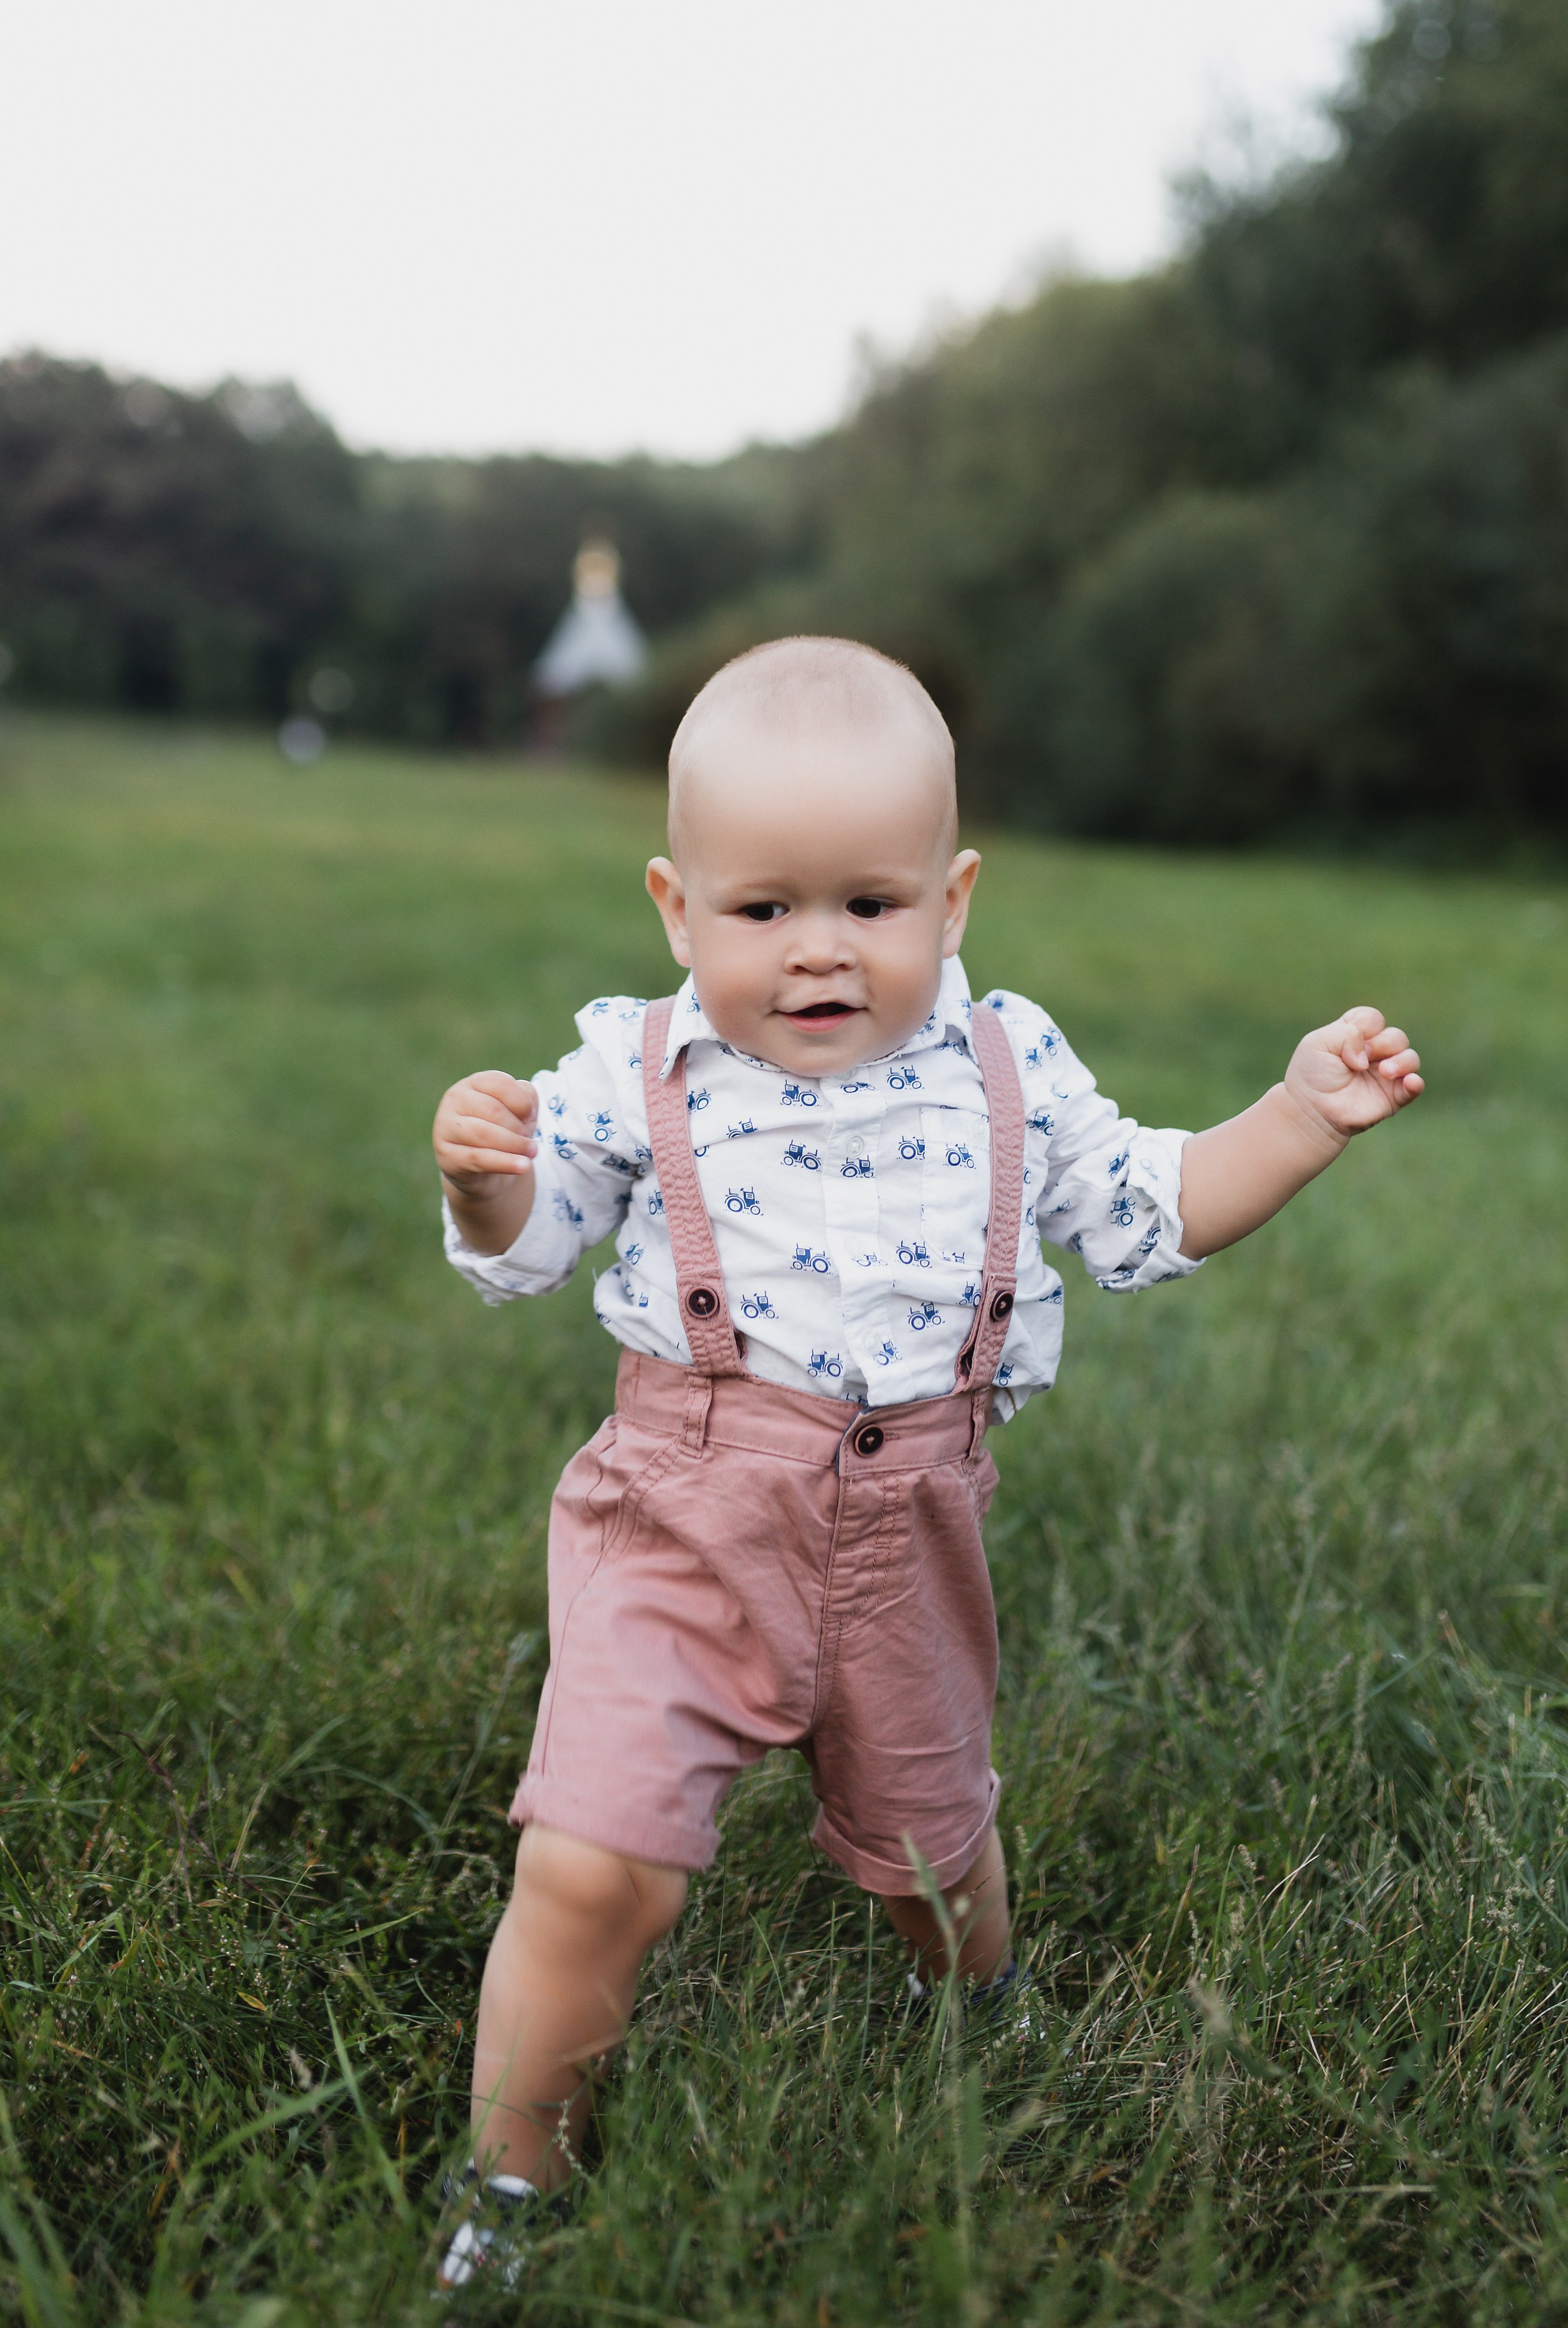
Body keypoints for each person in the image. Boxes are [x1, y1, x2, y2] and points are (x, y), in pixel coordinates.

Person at [430, 636, 1423, 2288]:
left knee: (928, 1847)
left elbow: (1150, 1212)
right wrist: (484, 1184)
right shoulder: (633, 1063)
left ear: (951, 902)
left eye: (869, 906)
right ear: (678, 911)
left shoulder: (1005, 1066)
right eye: (763, 912)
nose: (818, 952)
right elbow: (528, 1251)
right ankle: (514, 2191)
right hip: (682, 1508)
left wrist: (1296, 1117)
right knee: (592, 1861)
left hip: (911, 1525)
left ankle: (968, 1999)